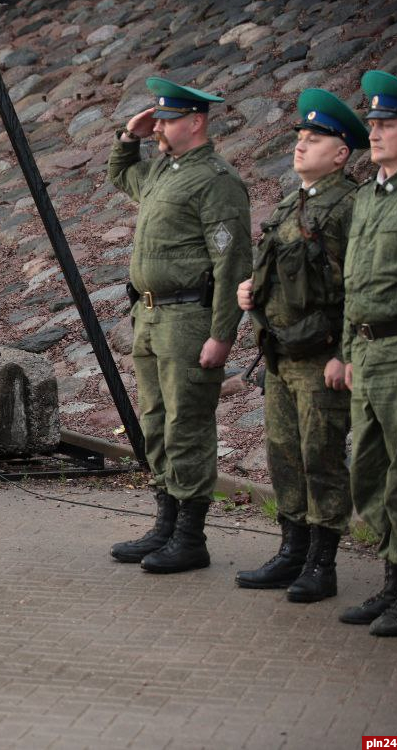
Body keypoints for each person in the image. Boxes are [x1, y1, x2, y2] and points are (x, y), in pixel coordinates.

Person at [106, 78, 251, 574]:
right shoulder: (163, 171)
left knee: (186, 424)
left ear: (196, 122)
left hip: (189, 319)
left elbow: (233, 264)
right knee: (155, 422)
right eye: (158, 120)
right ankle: (165, 523)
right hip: (149, 317)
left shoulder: (216, 179)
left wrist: (222, 335)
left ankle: (190, 536)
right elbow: (121, 176)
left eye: (167, 120)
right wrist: (130, 137)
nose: (159, 127)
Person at [235, 89, 369, 602]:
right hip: (281, 353)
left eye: (314, 140)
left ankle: (322, 561)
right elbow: (283, 270)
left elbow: (359, 284)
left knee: (322, 456)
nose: (301, 145)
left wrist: (346, 355)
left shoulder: (349, 205)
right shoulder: (295, 201)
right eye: (300, 137)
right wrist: (253, 291)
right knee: (284, 454)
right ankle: (292, 549)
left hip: (322, 357)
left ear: (340, 154)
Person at [338, 70, 397, 638]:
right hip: (365, 353)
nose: (376, 131)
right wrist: (344, 351)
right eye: (373, 123)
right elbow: (354, 284)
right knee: (369, 472)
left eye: (387, 123)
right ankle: (392, 581)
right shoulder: (367, 197)